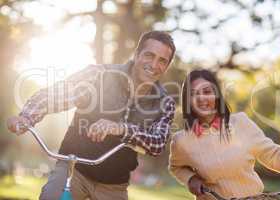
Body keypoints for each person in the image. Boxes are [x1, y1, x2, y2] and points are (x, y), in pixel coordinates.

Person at [7, 31, 176, 200]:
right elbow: (57, 95)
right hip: (73, 170)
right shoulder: (99, 75)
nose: (154, 64)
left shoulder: (164, 103)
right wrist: (26, 117)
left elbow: (158, 143)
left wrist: (121, 129)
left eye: (162, 61)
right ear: (137, 54)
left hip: (114, 185)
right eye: (149, 55)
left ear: (167, 67)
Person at [168, 69, 280, 200]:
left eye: (207, 91)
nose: (201, 98)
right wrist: (191, 179)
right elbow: (176, 167)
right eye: (193, 94)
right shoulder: (181, 140)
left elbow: (273, 155)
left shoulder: (241, 123)